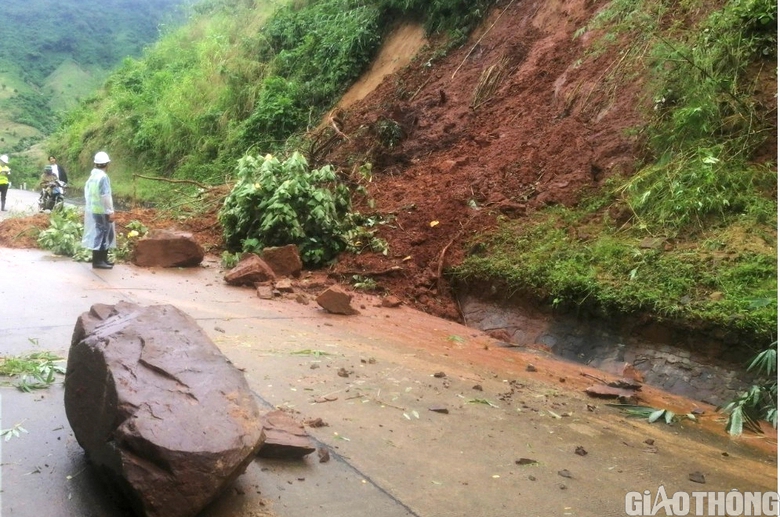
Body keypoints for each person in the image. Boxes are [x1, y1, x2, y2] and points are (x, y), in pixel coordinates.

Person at [82, 151, 116, 269]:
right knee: (103, 234)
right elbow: (105, 196)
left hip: (95, 210)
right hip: (102, 210)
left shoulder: (93, 176)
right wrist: (110, 211)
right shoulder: (103, 177)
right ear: (107, 164)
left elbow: (88, 194)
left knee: (101, 233)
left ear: (95, 164)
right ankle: (98, 261)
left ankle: (103, 259)